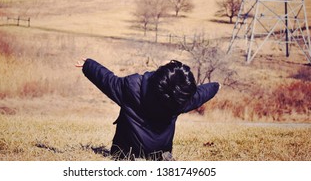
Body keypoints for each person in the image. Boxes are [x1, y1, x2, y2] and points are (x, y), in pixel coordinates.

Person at [75, 58, 220, 160]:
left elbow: (107, 80)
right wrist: (216, 86)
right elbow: (201, 93)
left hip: (126, 152)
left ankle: (129, 158)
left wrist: (88, 65)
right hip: (160, 153)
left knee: (124, 153)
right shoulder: (180, 100)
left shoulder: (131, 87)